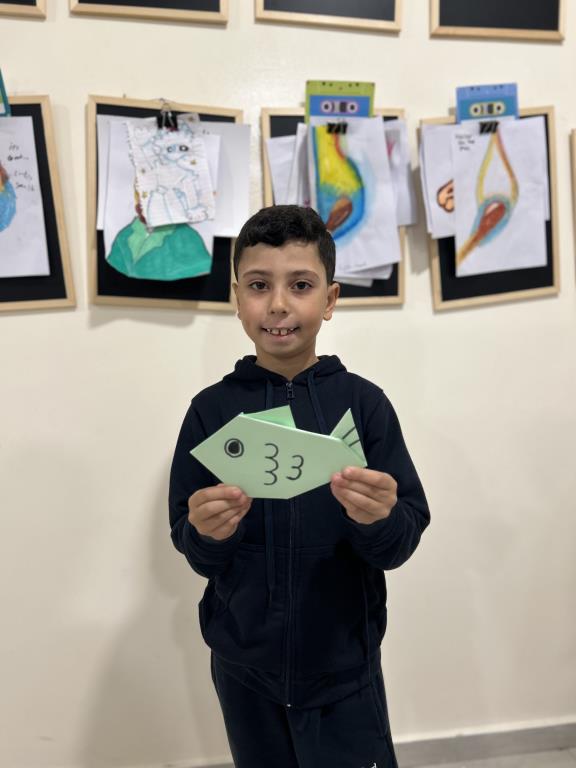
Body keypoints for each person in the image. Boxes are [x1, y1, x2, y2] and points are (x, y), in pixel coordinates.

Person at [169, 205, 430, 768]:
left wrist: (380, 520)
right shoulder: (210, 412)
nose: (279, 304)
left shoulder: (364, 404)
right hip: (243, 668)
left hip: (346, 667)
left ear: (330, 300)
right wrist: (207, 534)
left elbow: (402, 537)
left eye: (301, 285)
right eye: (259, 285)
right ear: (236, 297)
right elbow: (191, 545)